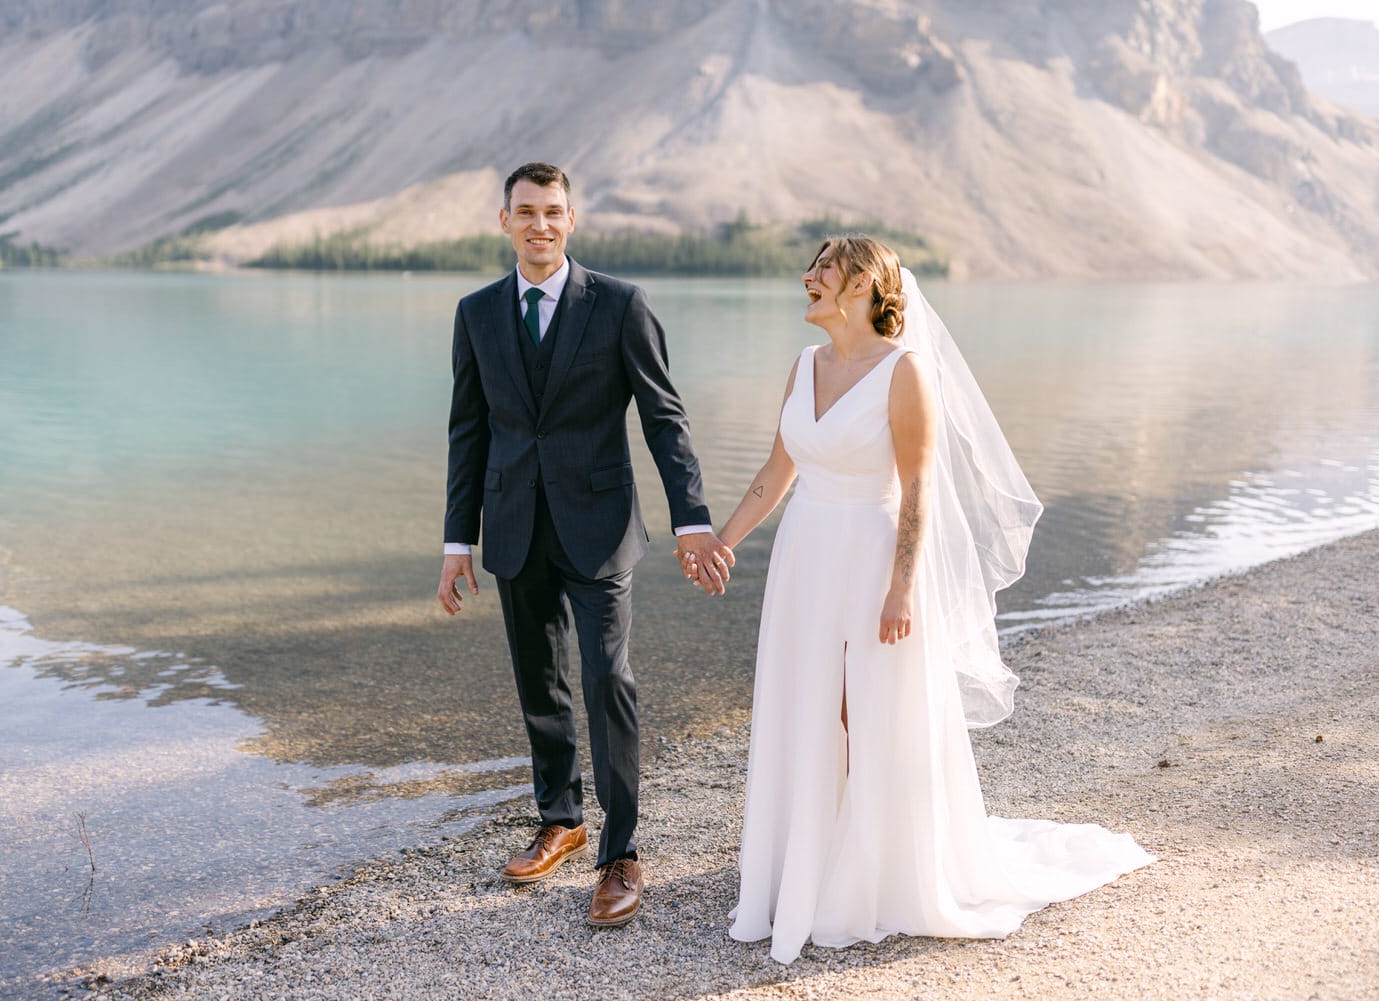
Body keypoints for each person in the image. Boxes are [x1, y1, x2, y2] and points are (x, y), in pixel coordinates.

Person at [691, 235, 1153, 964]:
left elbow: (918, 490)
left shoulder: (905, 372)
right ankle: (808, 855)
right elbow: (777, 469)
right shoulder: (804, 367)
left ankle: (871, 873)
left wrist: (902, 585)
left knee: (865, 709)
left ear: (864, 286)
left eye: (823, 270)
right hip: (804, 556)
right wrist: (724, 539)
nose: (806, 279)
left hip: (871, 556)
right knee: (808, 702)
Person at [437, 162, 734, 927]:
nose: (540, 225)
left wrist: (692, 517)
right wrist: (455, 539)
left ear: (572, 221)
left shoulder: (620, 305)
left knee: (608, 679)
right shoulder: (476, 313)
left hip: (600, 526)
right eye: (526, 212)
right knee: (540, 681)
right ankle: (562, 818)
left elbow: (664, 417)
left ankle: (620, 851)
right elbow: (468, 432)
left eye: (553, 212)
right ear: (504, 220)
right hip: (512, 526)